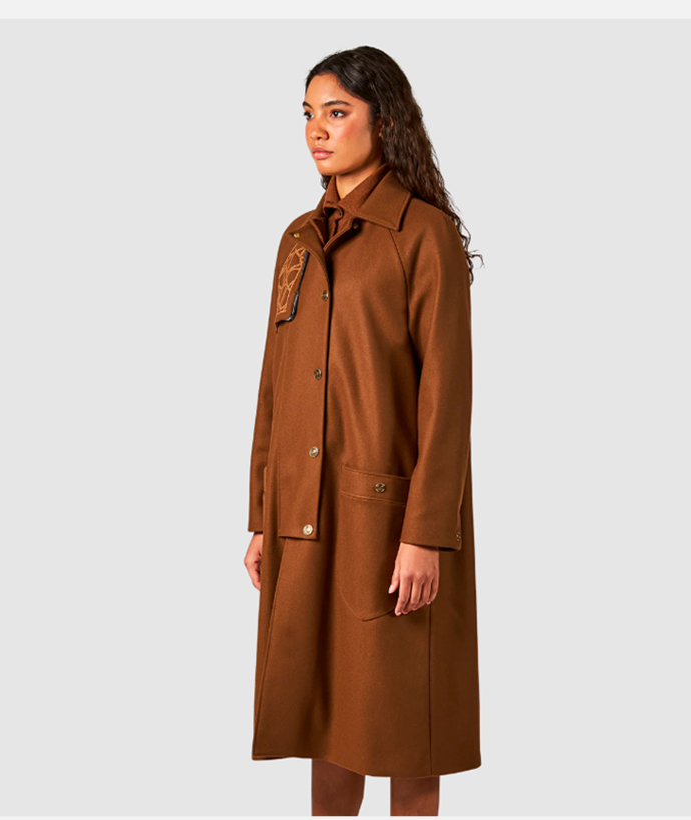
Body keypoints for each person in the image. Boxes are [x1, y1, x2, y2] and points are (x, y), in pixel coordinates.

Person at [244, 45, 483, 816]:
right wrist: (262, 516)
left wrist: (426, 535)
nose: (316, 130)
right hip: (304, 515)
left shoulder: (422, 235)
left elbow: (447, 398)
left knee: (408, 722)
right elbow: (274, 386)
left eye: (337, 112)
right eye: (308, 114)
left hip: (390, 521)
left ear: (384, 122)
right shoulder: (297, 239)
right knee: (324, 713)